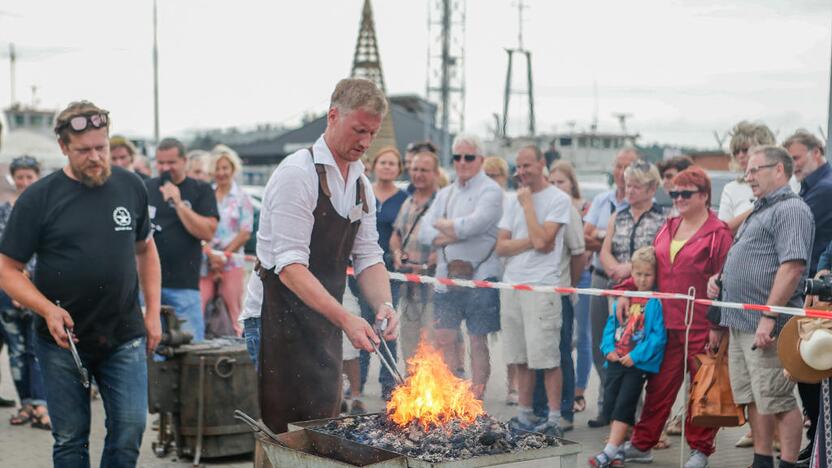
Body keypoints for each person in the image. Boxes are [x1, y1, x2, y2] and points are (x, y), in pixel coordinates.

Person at [0, 100, 161, 467]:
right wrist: (47, 309)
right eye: (84, 150)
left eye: (101, 148)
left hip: (124, 333)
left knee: (131, 428)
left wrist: (152, 313)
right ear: (63, 149)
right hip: (62, 340)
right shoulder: (39, 198)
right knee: (71, 439)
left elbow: (146, 250)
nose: (96, 158)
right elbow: (7, 269)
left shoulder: (130, 185)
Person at [256, 78, 399, 434]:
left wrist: (385, 305)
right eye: (358, 130)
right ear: (332, 116)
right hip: (275, 322)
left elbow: (368, 256)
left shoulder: (361, 184)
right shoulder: (297, 174)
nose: (365, 142)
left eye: (372, 133)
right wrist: (347, 319)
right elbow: (289, 268)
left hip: (323, 322)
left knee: (322, 431)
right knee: (284, 435)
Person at [620, 167, 733, 468]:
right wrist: (624, 291)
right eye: (674, 193)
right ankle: (642, 445)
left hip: (702, 325)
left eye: (686, 193)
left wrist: (718, 325)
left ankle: (700, 450)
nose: (679, 198)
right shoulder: (668, 227)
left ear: (705, 196)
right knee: (658, 388)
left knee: (703, 390)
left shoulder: (718, 233)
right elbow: (649, 270)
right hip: (664, 325)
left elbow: (727, 282)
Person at [708, 146, 813, 468]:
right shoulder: (760, 208)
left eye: (756, 170)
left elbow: (792, 267)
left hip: (766, 324)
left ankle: (787, 462)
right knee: (754, 396)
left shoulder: (791, 209)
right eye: (748, 171)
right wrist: (722, 278)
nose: (748, 177)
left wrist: (768, 316)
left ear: (779, 170)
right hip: (742, 321)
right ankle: (762, 459)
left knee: (778, 399)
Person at [419, 133, 503, 400]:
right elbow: (423, 231)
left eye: (469, 157)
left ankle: (476, 398)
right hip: (447, 276)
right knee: (444, 337)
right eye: (457, 157)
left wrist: (445, 226)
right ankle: (452, 393)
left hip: (481, 276)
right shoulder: (445, 193)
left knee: (478, 340)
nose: (462, 162)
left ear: (480, 159)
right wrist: (456, 230)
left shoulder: (491, 190)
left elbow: (475, 225)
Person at [497, 145, 571, 436]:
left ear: (542, 164)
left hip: (541, 286)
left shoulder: (557, 200)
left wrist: (528, 206)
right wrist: (532, 239)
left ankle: (554, 417)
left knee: (547, 356)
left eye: (527, 165)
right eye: (518, 166)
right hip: (512, 283)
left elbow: (545, 243)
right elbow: (501, 246)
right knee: (520, 356)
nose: (522, 171)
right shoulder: (512, 200)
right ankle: (524, 413)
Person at [590, 246, 666, 468]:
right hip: (615, 360)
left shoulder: (655, 301)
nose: (642, 280)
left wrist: (636, 355)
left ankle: (609, 451)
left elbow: (657, 337)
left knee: (626, 404)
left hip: (635, 364)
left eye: (647, 275)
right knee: (611, 405)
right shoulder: (623, 299)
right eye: (638, 274)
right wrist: (608, 349)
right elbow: (610, 327)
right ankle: (620, 450)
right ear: (631, 273)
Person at [785, 130, 832, 465]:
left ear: (818, 152)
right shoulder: (809, 188)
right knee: (808, 367)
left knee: (814, 369)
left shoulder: (825, 190)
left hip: (819, 293)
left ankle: (817, 438)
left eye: (796, 158)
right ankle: (817, 440)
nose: (792, 166)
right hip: (815, 288)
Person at [583, 148, 639, 417]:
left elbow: (640, 249)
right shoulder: (602, 200)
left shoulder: (640, 205)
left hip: (630, 285)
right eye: (618, 166)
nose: (622, 173)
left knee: (628, 342)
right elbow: (586, 238)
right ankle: (607, 398)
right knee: (598, 341)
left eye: (628, 168)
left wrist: (602, 235)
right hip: (600, 277)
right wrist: (608, 240)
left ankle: (628, 408)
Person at [147, 138, 219, 343]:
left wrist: (178, 203)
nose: (165, 168)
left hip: (184, 285)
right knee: (151, 350)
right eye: (160, 163)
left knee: (192, 347)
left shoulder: (201, 189)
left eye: (171, 163)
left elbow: (207, 232)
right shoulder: (147, 188)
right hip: (149, 287)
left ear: (184, 161)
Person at [351, 145, 407, 400]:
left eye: (392, 163)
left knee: (386, 323)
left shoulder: (403, 199)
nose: (387, 167)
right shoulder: (362, 192)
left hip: (391, 272)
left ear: (398, 169)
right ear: (374, 165)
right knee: (363, 322)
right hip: (360, 269)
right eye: (383, 162)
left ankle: (389, 383)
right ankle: (359, 381)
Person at [0, 156, 49, 429]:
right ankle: (26, 405)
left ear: (38, 177)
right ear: (13, 178)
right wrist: (14, 287)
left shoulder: (47, 210)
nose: (25, 182)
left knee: (37, 349)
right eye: (20, 177)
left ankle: (42, 405)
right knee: (17, 351)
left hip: (40, 290)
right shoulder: (3, 212)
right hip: (8, 292)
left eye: (30, 176)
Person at [549, 160, 593, 414]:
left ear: (572, 183)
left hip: (582, 276)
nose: (556, 186)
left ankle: (579, 391)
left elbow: (587, 242)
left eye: (561, 182)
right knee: (563, 338)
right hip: (558, 279)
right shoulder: (549, 205)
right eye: (552, 182)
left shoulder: (583, 206)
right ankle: (562, 390)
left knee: (583, 335)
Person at [199, 145, 254, 336]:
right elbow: (201, 227)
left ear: (232, 169)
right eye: (217, 168)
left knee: (234, 311)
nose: (221, 173)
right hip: (207, 261)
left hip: (231, 262)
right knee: (201, 305)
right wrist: (211, 255)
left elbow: (245, 231)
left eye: (225, 168)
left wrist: (224, 256)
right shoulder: (207, 196)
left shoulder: (242, 197)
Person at [390, 150, 439, 362]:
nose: (418, 174)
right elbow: (396, 236)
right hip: (409, 289)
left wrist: (431, 262)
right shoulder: (408, 202)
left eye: (424, 170)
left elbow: (451, 241)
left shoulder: (442, 203)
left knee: (434, 348)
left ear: (436, 173)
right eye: (415, 169)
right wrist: (397, 253)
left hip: (434, 290)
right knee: (409, 347)